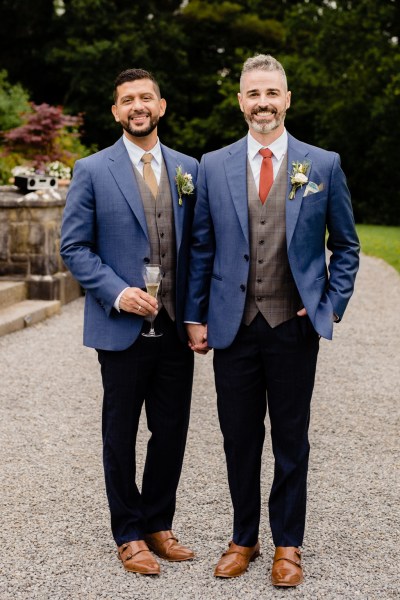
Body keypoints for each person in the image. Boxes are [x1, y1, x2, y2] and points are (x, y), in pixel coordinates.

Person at [185, 54, 359, 587]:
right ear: (240, 101)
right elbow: (200, 248)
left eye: (272, 93)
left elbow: (346, 247)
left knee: (291, 437)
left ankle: (288, 543)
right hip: (231, 325)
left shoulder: (322, 164)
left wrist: (328, 303)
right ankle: (244, 538)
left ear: (287, 100)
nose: (263, 103)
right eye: (253, 94)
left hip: (293, 325)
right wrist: (194, 316)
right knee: (238, 438)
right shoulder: (212, 165)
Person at [61, 68, 198, 575]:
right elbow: (74, 247)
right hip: (120, 330)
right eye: (127, 100)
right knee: (119, 433)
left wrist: (198, 316)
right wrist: (118, 293)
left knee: (171, 430)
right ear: (116, 112)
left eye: (146, 97)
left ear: (161, 106)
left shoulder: (190, 170)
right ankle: (128, 532)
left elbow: (200, 249)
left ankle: (159, 523)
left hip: (176, 330)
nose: (137, 106)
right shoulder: (91, 170)